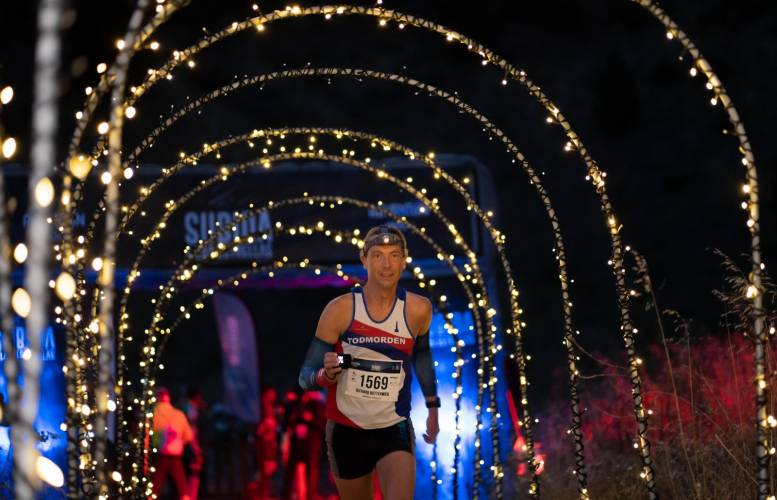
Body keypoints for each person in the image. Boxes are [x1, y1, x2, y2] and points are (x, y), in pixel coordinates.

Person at [298, 224, 440, 500]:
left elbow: (422, 355)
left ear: (404, 259)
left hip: (393, 428)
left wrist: (433, 408)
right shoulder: (339, 310)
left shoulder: (418, 309)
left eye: (394, 255)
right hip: (346, 431)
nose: (387, 265)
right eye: (377, 256)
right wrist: (326, 376)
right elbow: (305, 377)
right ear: (364, 259)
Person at [151, 387, 195, 500]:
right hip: (175, 455)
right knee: (182, 486)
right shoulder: (179, 414)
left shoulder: (152, 414)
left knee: (155, 486)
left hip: (159, 455)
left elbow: (147, 436)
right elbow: (189, 436)